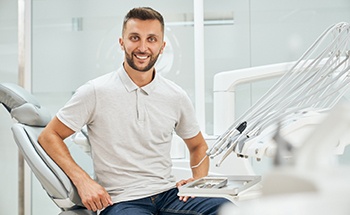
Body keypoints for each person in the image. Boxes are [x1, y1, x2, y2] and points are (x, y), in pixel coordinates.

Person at [38, 7, 230, 215]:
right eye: (135, 38)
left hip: (169, 195)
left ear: (162, 46)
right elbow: (49, 135)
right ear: (122, 43)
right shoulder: (95, 91)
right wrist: (83, 180)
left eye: (151, 39)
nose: (143, 47)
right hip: (122, 202)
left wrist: (197, 182)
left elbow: (198, 146)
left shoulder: (175, 96)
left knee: (227, 209)